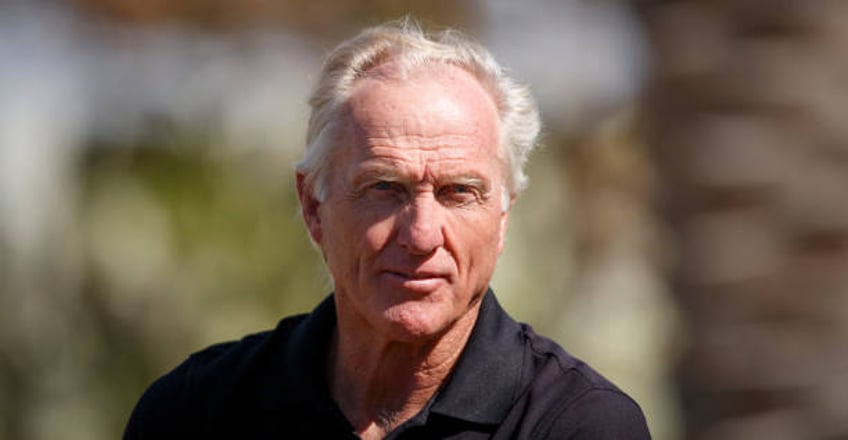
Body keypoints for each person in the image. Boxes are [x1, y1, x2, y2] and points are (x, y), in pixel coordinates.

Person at [124, 19, 650, 439]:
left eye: (459, 192)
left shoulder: (577, 425)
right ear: (313, 206)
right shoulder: (197, 412)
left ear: (504, 216)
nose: (421, 235)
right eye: (384, 188)